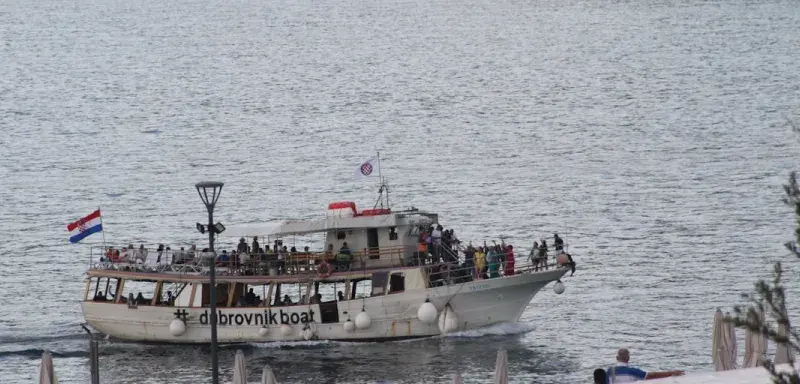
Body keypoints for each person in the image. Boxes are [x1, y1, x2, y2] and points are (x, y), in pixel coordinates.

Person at [607, 348, 683, 382]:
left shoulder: (609, 372)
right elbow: (652, 375)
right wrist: (671, 373)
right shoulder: (632, 371)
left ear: (617, 358)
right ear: (628, 358)